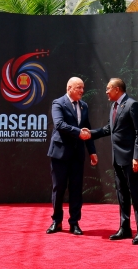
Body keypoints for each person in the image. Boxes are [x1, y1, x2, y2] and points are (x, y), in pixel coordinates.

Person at [82, 77, 138, 245]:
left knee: (136, 194)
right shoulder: (114, 106)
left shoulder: (132, 105)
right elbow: (109, 129)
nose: (106, 92)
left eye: (108, 88)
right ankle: (125, 228)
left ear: (117, 89)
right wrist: (91, 133)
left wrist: (136, 157)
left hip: (131, 159)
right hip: (117, 159)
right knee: (122, 194)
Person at [46, 76, 98, 235]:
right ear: (69, 88)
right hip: (60, 153)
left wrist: (92, 151)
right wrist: (78, 132)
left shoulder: (84, 106)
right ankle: (57, 221)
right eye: (79, 88)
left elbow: (87, 129)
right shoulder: (58, 103)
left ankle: (74, 223)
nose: (82, 91)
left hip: (77, 154)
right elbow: (59, 124)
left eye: (83, 87)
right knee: (59, 188)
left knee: (76, 189)